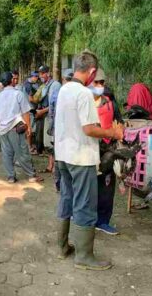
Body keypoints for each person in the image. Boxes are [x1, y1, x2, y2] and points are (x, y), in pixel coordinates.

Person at [55, 51, 123, 271]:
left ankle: (62, 246)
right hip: (80, 157)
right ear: (92, 71)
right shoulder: (83, 94)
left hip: (63, 155)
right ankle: (84, 256)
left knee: (67, 197)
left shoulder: (64, 88)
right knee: (85, 204)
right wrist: (113, 133)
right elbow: (89, 129)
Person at [0, 72, 43, 183]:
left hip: (2, 129)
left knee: (7, 153)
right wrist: (28, 126)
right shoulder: (18, 94)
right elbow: (25, 112)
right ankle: (31, 175)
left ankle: (11, 176)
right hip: (15, 127)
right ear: (11, 80)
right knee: (23, 151)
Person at [89, 69, 119, 235]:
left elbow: (119, 122)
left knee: (106, 188)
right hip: (87, 152)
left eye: (102, 83)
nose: (99, 86)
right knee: (87, 187)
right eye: (96, 83)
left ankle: (102, 221)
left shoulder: (110, 103)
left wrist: (118, 133)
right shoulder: (83, 102)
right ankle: (84, 220)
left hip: (107, 152)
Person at [37, 66, 61, 173]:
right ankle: (50, 165)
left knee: (54, 142)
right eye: (40, 74)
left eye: (43, 73)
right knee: (48, 143)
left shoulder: (55, 85)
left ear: (48, 73)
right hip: (46, 117)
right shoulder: (44, 86)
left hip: (54, 118)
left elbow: (54, 105)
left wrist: (42, 111)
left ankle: (56, 167)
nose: (41, 76)